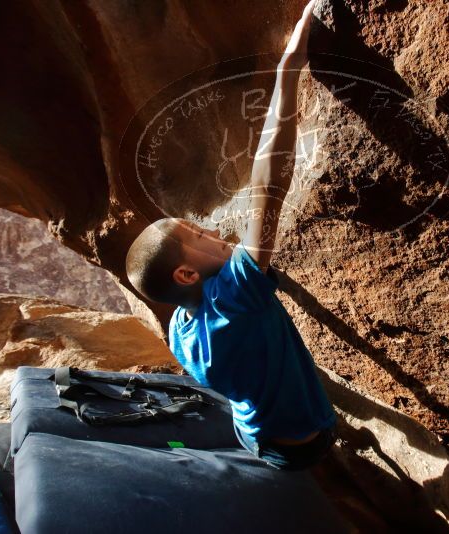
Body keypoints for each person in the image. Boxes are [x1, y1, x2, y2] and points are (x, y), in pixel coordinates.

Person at [125, 0, 336, 471]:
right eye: (199, 234)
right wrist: (289, 72)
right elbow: (268, 189)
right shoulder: (233, 300)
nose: (216, 230)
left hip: (254, 433)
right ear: (185, 271)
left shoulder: (184, 327)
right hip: (303, 442)